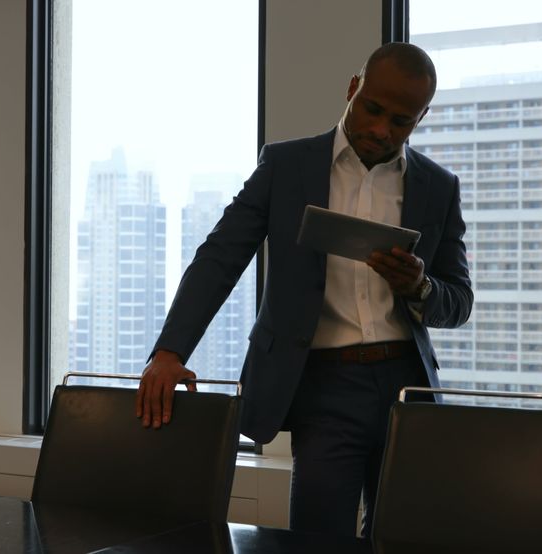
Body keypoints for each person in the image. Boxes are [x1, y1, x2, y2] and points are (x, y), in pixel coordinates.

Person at [134, 42, 473, 536]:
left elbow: (458, 302)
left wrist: (419, 285)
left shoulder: (438, 187)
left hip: (407, 389)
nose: (381, 129)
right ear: (353, 88)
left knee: (406, 539)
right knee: (318, 540)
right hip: (323, 386)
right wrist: (169, 350)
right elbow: (219, 258)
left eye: (400, 121)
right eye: (372, 109)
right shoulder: (287, 166)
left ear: (421, 118)